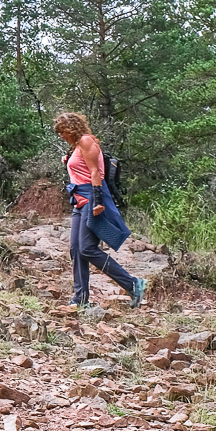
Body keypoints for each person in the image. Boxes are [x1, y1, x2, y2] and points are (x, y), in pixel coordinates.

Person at [55, 110, 144, 308]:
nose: (61, 136)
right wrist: (68, 161)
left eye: (62, 131)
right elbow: (82, 170)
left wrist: (97, 201)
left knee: (87, 248)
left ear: (71, 128)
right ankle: (81, 298)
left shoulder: (86, 141)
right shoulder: (77, 146)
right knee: (76, 249)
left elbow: (96, 172)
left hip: (91, 197)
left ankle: (133, 284)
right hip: (79, 200)